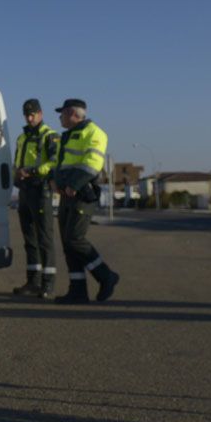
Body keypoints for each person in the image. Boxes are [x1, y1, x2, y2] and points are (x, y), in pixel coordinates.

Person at [51, 99, 120, 303]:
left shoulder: (94, 133)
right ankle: (78, 291)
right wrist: (53, 180)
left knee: (74, 239)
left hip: (81, 194)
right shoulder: (66, 136)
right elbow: (59, 164)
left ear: (72, 113)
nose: (60, 118)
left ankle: (106, 276)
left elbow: (92, 163)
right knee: (68, 244)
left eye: (61, 113)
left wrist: (74, 184)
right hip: (66, 195)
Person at [12, 99, 61, 298]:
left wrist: (32, 171)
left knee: (45, 239)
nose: (29, 118)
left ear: (40, 114)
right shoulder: (22, 137)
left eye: (33, 114)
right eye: (26, 115)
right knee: (29, 240)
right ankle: (33, 282)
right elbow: (17, 161)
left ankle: (48, 284)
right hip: (25, 191)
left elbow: (54, 162)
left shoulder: (50, 136)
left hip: (41, 190)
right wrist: (18, 174)